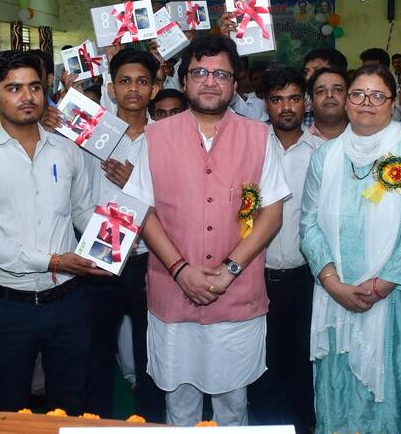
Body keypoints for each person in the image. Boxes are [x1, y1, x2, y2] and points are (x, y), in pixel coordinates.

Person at [123, 34, 289, 426]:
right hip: (172, 295)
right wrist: (180, 269)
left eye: (221, 74)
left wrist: (230, 269)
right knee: (180, 404)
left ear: (234, 83)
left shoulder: (259, 136)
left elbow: (272, 214)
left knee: (233, 404)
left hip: (237, 295)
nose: (210, 81)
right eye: (199, 72)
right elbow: (142, 211)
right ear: (183, 82)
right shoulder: (154, 138)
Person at [0, 50, 105, 415]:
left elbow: (83, 209)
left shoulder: (67, 150)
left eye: (35, 87)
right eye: (14, 88)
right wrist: (53, 261)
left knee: (70, 404)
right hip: (9, 307)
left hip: (69, 302)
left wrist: (112, 244)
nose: (27, 97)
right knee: (7, 407)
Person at [301, 64, 401, 433]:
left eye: (377, 95)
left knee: (394, 393)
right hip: (336, 297)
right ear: (347, 101)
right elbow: (308, 223)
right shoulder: (325, 155)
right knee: (340, 394)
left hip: (396, 299)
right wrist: (332, 284)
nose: (367, 102)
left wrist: (382, 285)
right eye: (358, 94)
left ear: (392, 103)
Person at [82, 48, 165, 422]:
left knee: (152, 351)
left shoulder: (165, 137)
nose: (133, 89)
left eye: (142, 81)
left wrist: (137, 184)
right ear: (111, 88)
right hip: (101, 254)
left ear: (154, 89)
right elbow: (78, 192)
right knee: (97, 351)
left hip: (151, 256)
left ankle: (151, 422)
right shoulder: (92, 132)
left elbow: (176, 201)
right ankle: (96, 423)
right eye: (125, 81)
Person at [248, 65, 317, 433]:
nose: (286, 107)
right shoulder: (250, 148)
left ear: (305, 102)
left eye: (293, 98)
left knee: (303, 366)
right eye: (277, 100)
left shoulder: (323, 152)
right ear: (266, 104)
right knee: (261, 366)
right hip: (255, 277)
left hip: (307, 280)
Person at [301, 48, 348, 128]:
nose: (308, 77)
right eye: (306, 72)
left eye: (317, 71)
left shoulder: (356, 111)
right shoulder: (300, 108)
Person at [307, 67, 349, 141]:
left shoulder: (366, 137)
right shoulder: (300, 142)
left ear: (349, 97)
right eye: (320, 91)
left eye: (337, 90)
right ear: (311, 102)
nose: (329, 95)